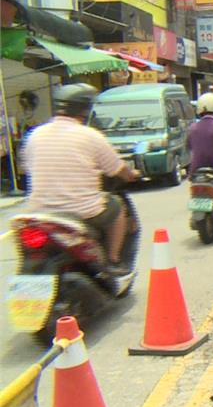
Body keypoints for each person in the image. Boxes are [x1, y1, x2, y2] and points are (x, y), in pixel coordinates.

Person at [21, 84, 141, 269]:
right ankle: (114, 260)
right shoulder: (90, 136)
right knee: (117, 208)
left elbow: (28, 168)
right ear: (86, 109)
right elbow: (117, 169)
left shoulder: (34, 135)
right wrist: (132, 174)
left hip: (39, 213)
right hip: (82, 211)